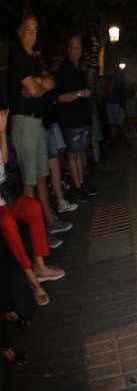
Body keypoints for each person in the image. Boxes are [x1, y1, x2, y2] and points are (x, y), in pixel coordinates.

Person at [6, 16, 72, 241]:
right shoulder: (18, 59)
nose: (32, 33)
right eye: (28, 29)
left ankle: (50, 221)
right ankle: (38, 237)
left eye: (35, 29)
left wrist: (39, 84)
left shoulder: (34, 59)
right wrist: (38, 86)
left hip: (37, 122)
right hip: (24, 123)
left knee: (42, 175)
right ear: (20, 31)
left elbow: (49, 82)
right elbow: (35, 90)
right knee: (29, 182)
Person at [0, 108, 64, 307]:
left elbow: (4, 160)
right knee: (9, 225)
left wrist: (2, 132)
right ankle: (33, 281)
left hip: (7, 195)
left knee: (34, 208)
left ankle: (40, 266)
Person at [55, 36, 99, 201]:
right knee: (73, 155)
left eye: (78, 47)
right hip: (71, 120)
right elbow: (60, 97)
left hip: (81, 118)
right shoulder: (64, 69)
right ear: (68, 49)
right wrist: (80, 93)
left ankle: (82, 183)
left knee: (80, 153)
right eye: (73, 47)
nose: (76, 50)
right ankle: (78, 187)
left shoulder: (79, 68)